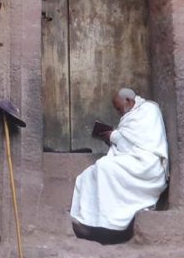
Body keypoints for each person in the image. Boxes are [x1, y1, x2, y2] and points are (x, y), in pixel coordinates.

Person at [70, 87, 169, 244]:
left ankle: (110, 223)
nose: (118, 113)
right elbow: (128, 141)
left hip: (147, 164)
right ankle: (87, 221)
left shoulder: (149, 110)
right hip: (134, 158)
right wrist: (112, 137)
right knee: (88, 174)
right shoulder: (132, 114)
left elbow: (140, 142)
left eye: (118, 108)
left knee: (104, 167)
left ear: (129, 101)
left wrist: (113, 135)